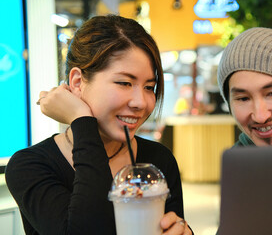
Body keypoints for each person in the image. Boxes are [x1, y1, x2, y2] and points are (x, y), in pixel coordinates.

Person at [5, 15, 192, 235]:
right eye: (124, 83)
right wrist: (81, 120)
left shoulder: (158, 160)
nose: (141, 102)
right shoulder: (30, 166)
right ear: (77, 82)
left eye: (149, 87)